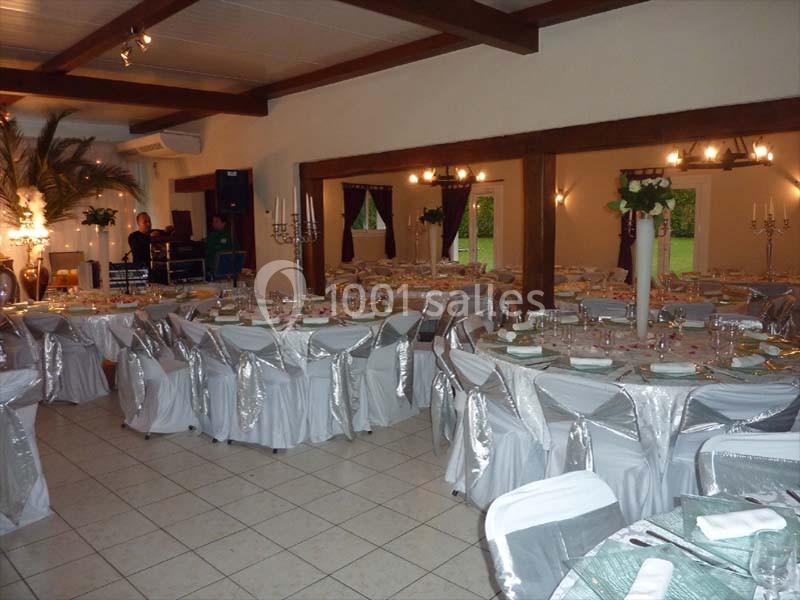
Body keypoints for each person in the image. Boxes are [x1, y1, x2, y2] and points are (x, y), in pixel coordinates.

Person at [205, 213, 233, 278]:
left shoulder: (229, 235)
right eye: (213, 221)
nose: (214, 223)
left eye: (217, 221)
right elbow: (207, 252)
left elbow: (235, 252)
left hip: (225, 270)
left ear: (224, 223)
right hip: (211, 269)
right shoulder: (211, 236)